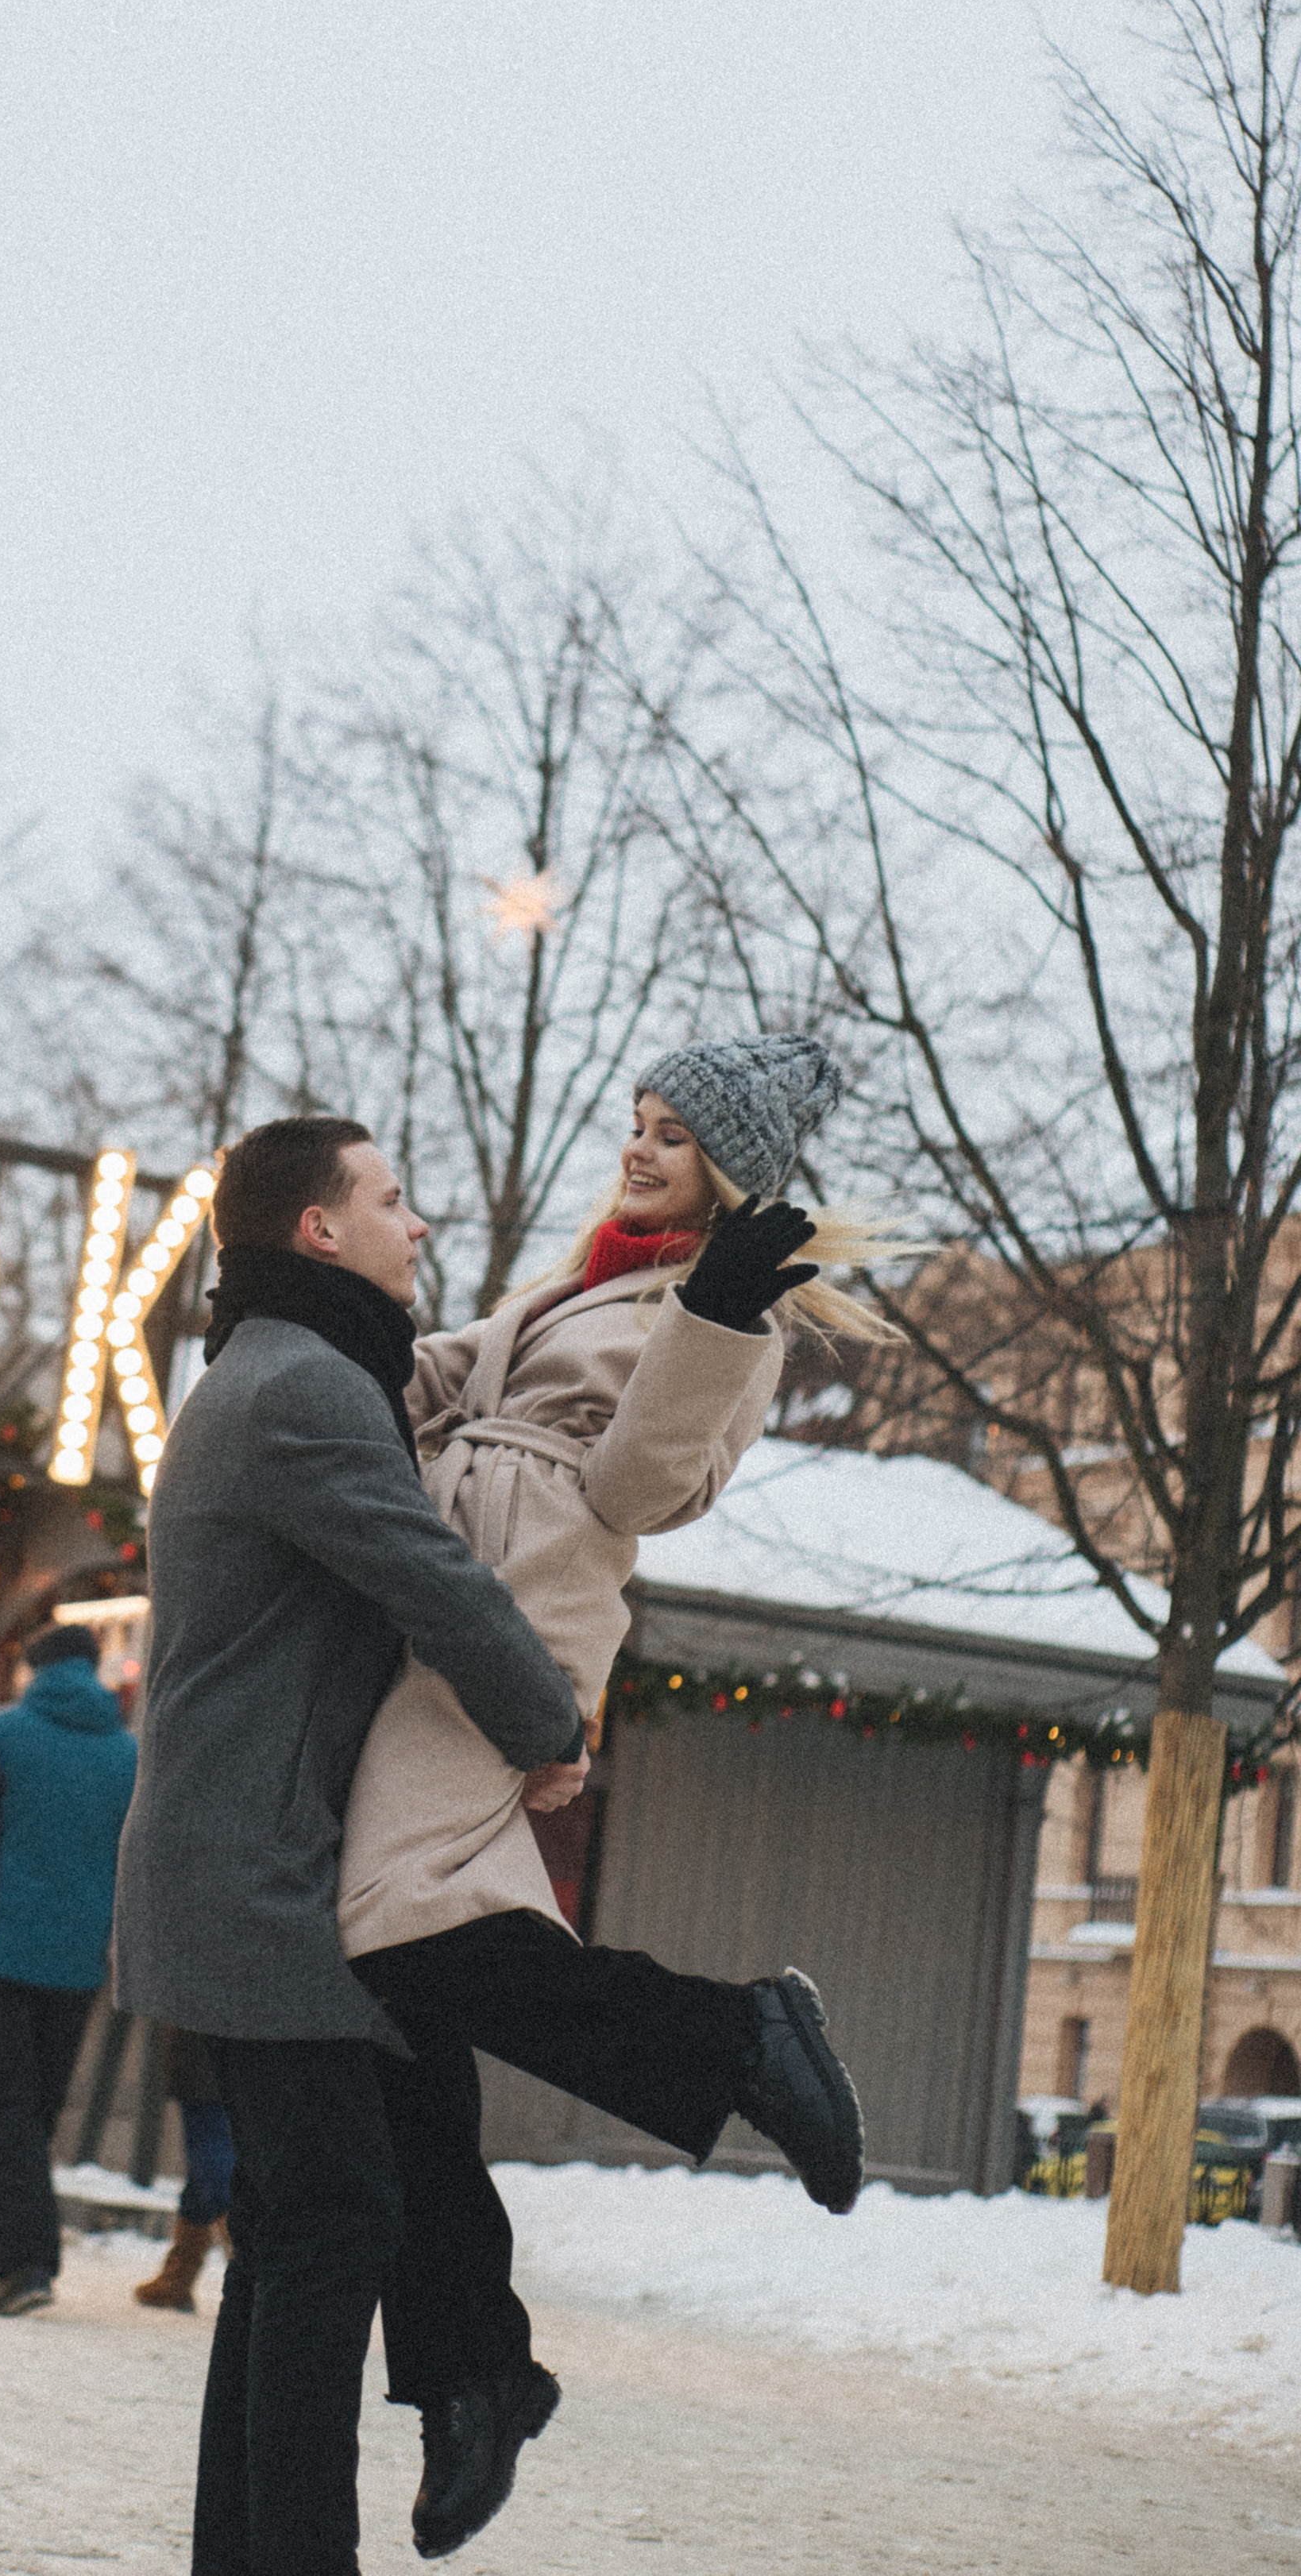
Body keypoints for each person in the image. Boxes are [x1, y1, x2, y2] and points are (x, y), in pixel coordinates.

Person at [339, 1034, 891, 2554]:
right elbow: (442, 1374)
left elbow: (643, 1489)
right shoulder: (584, 1270)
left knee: (392, 1939)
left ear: (731, 1167)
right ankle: (474, 2375)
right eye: (636, 1125)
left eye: (673, 1135)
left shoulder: (735, 1313)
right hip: (440, 1596)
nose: (640, 1150)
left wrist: (713, 1318)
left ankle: (736, 2035)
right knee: (400, 2003)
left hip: (514, 1615)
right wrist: (319, 1328)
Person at [114, 1114, 585, 2576]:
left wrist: (606, 1275)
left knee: (296, 2237)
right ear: (319, 1231)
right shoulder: (303, 1392)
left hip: (240, 1869)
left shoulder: (285, 1372)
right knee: (334, 2228)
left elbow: (446, 1380)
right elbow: (435, 1581)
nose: (418, 1223)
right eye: (392, 1199)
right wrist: (546, 1725)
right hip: (260, 1882)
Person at [0, 1620, 137, 2317]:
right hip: (78, 1963)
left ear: (34, 1670)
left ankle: (27, 2263)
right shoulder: (126, 1756)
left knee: (2, 2107)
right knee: (32, 2111)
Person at [132, 2030, 235, 2311]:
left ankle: (250, 2256)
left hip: (204, 2020)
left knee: (209, 2139)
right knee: (212, 2148)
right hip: (269, 2029)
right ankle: (179, 2273)